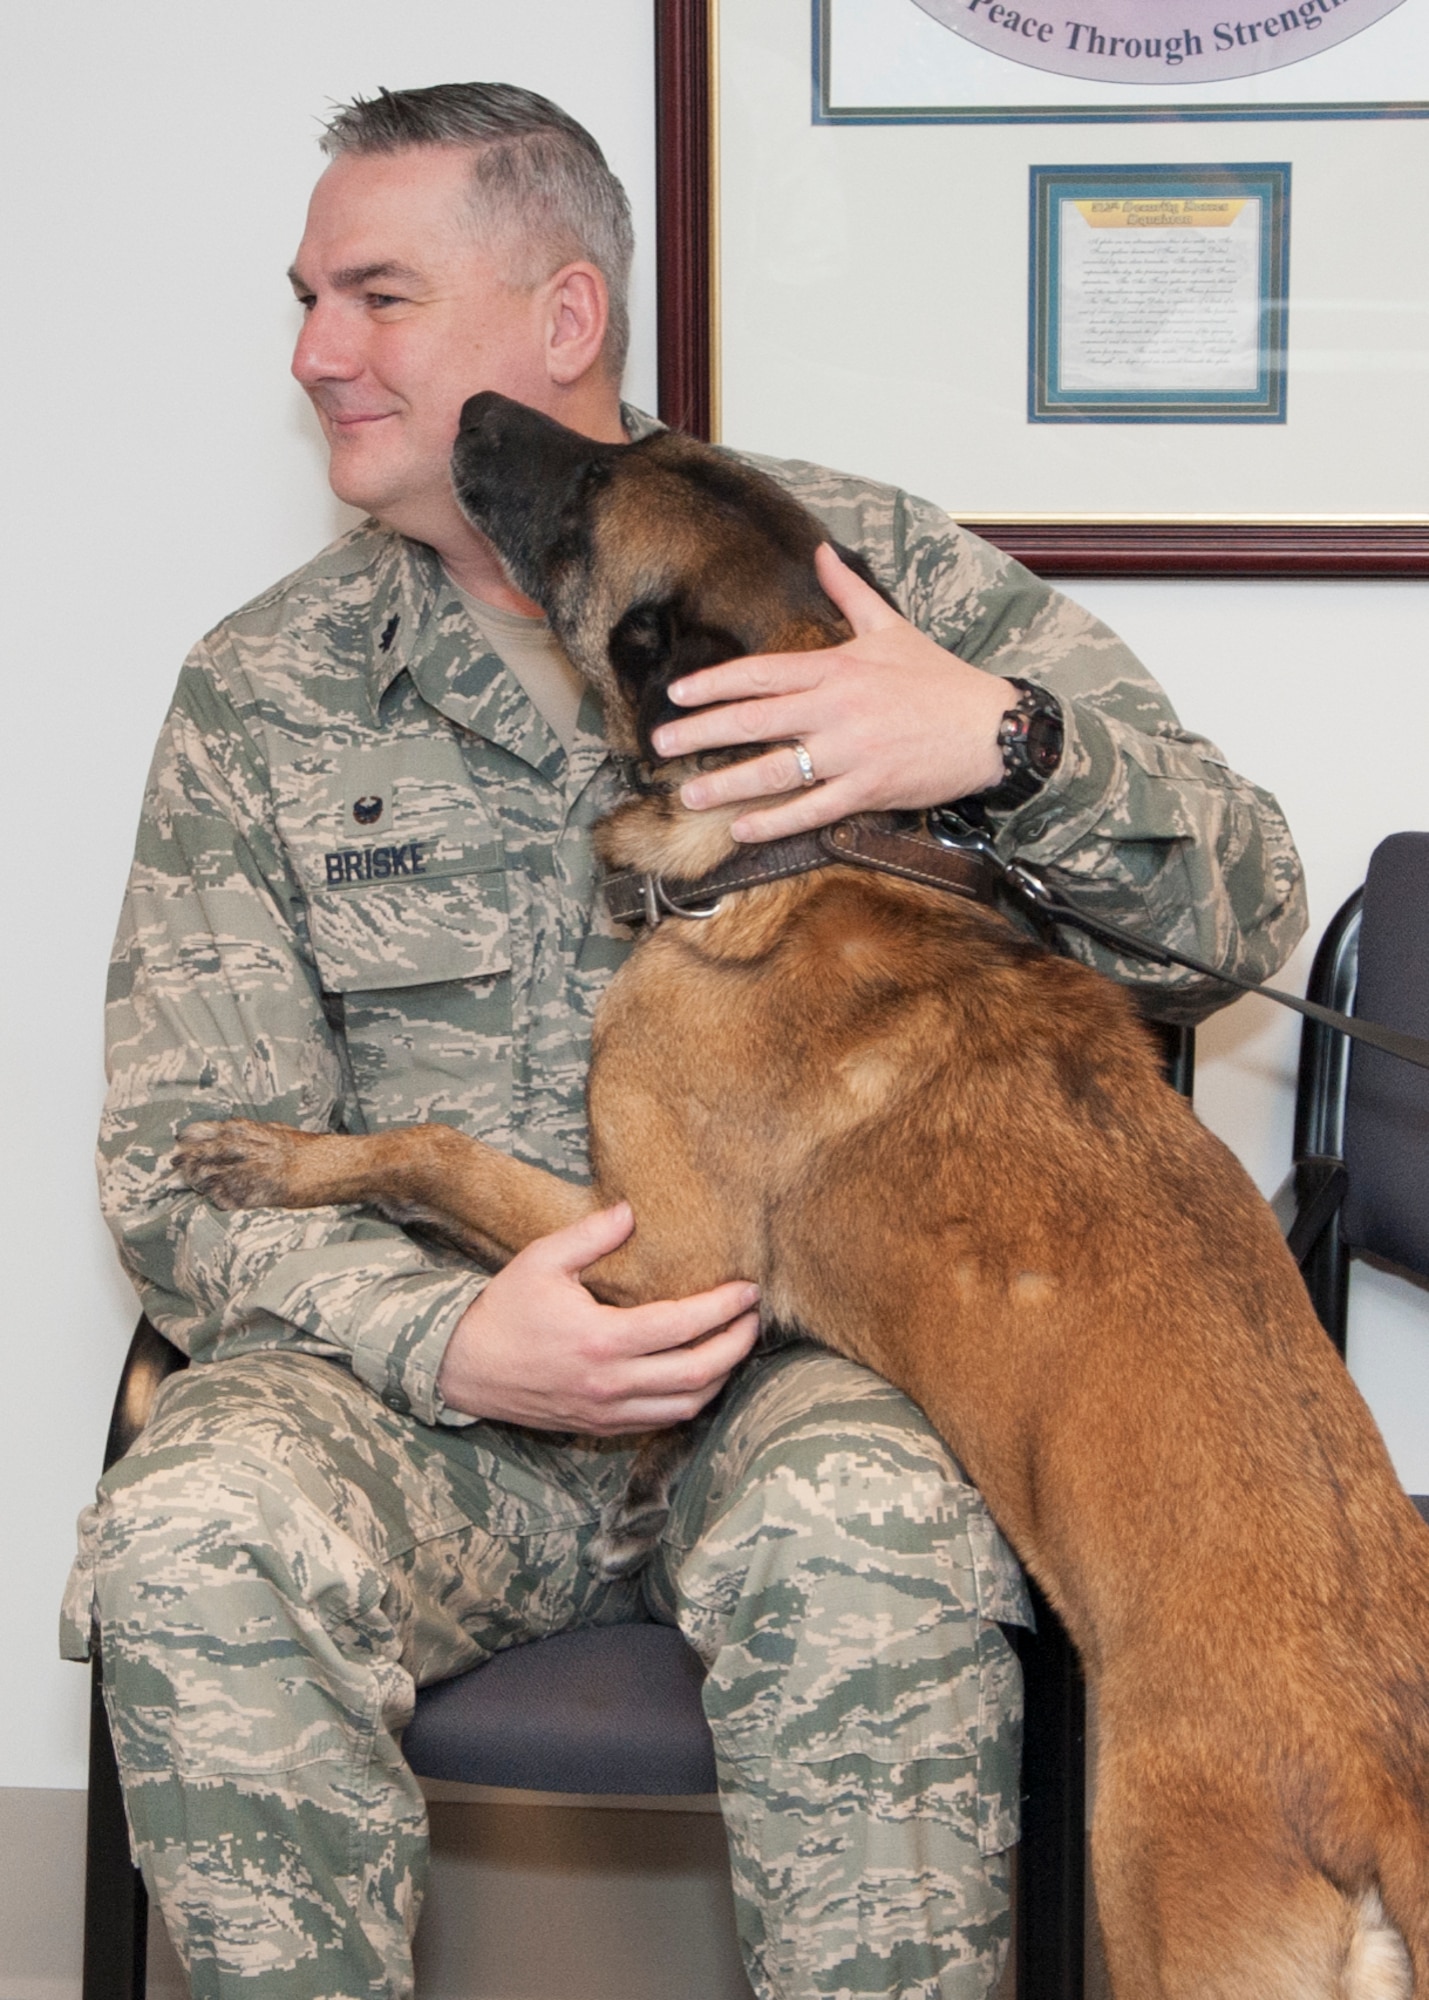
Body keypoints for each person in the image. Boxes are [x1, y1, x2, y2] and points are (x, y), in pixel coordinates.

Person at [63, 82, 1307, 2000]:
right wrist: (453, 1334)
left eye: (375, 296)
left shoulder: (849, 574)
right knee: (189, 1532)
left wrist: (993, 746)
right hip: (422, 1402)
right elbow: (178, 1164)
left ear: (563, 321)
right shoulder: (261, 693)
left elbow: (1237, 924)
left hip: (793, 1365)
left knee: (875, 1530)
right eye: (304, 299)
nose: (316, 352)